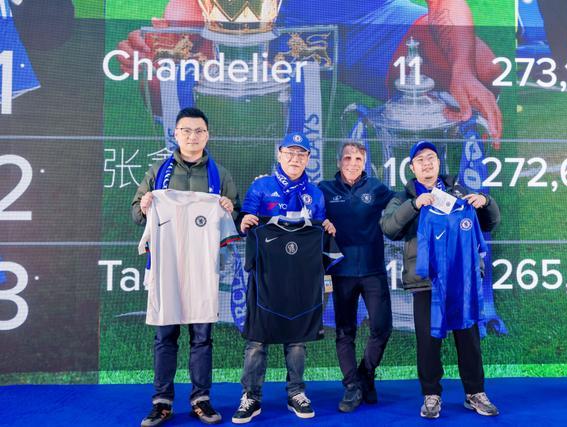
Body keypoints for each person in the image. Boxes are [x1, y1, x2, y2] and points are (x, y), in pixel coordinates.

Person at [115, 0, 503, 141]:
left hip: (370, 22)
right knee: (165, 67)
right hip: (276, 31)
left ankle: (434, 149)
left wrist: (462, 70)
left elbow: (445, 3)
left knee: (480, 66)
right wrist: (163, 46)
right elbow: (188, 11)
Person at [132, 107, 240, 427]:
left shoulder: (220, 175)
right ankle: (162, 402)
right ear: (176, 134)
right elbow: (136, 213)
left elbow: (235, 219)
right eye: (187, 131)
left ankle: (201, 399)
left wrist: (229, 208)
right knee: (165, 335)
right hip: (167, 267)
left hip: (202, 269)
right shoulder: (158, 172)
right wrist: (145, 206)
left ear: (208, 135)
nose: (193, 137)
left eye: (199, 131)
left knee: (202, 337)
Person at [379, 140, 500, 419]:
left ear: (438, 163)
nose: (426, 163)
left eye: (431, 158)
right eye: (420, 160)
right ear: (412, 168)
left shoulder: (458, 191)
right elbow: (389, 228)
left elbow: (490, 222)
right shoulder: (402, 197)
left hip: (461, 279)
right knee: (428, 340)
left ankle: (475, 392)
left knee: (468, 337)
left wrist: (486, 202)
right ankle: (431, 395)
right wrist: (414, 205)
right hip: (426, 281)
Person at [232, 132, 336, 424]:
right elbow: (245, 223)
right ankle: (251, 396)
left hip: (300, 278)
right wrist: (244, 221)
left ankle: (296, 393)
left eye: (301, 154)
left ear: (308, 158)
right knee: (257, 339)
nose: (295, 158)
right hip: (265, 276)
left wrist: (326, 227)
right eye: (290, 152)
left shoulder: (315, 194)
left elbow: (319, 229)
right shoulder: (261, 186)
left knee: (297, 338)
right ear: (279, 154)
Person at [317, 141, 395, 413]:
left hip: (373, 270)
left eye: (358, 159)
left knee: (382, 327)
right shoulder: (324, 189)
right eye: (347, 158)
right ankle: (352, 385)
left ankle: (365, 375)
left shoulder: (376, 188)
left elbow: (402, 202)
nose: (352, 163)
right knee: (344, 331)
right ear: (339, 162)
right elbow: (302, 207)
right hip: (340, 272)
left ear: (365, 163)